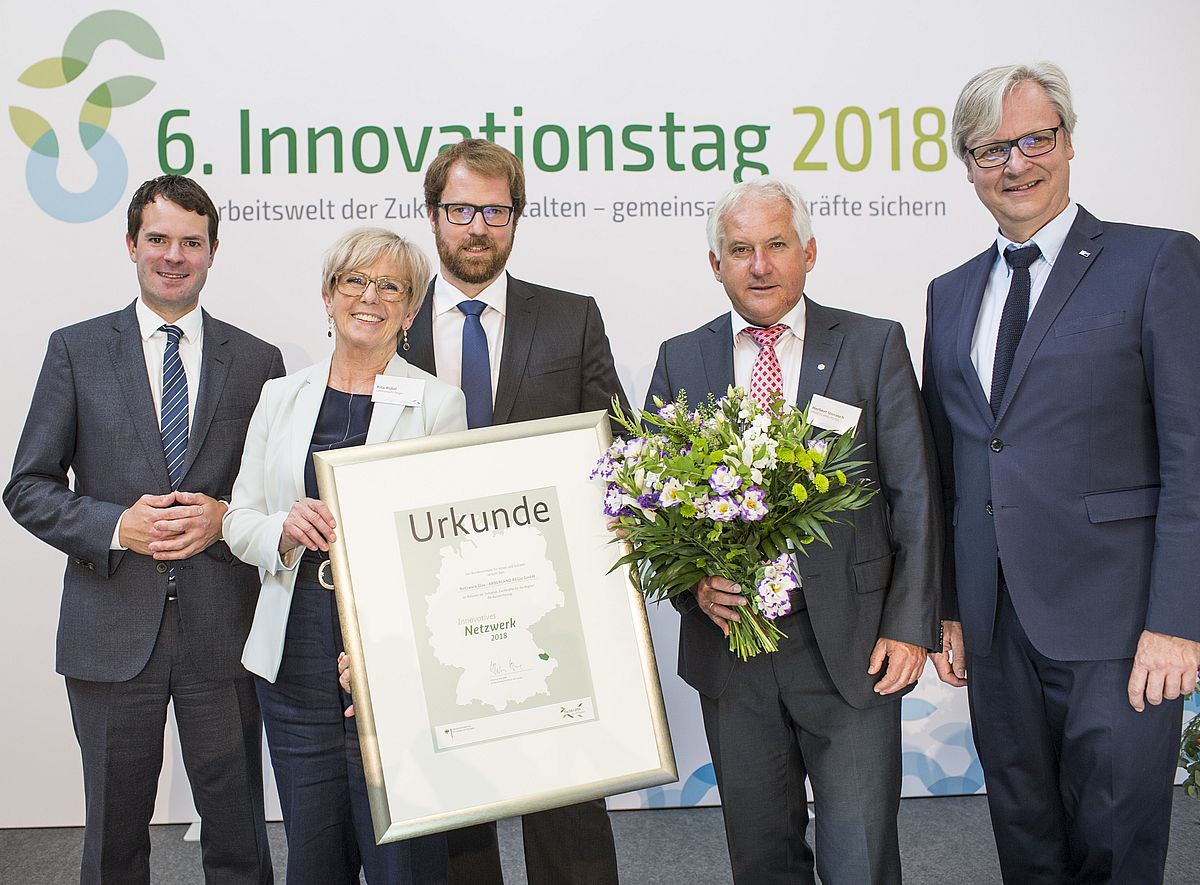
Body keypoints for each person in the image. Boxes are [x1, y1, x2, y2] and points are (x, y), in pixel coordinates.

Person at [922, 61, 1200, 884]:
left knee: (1117, 845)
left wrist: (1179, 620)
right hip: (995, 623)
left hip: (1122, 628)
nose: (1016, 164)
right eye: (991, 149)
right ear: (968, 165)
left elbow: (1191, 454)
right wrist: (947, 607)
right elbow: (953, 462)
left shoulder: (1157, 263)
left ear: (1068, 142)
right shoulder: (948, 293)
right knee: (1026, 839)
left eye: (1034, 139)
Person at [645, 176, 941, 885]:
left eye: (776, 245)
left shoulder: (873, 345)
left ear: (809, 251)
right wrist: (694, 587)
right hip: (734, 654)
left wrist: (911, 625)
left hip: (854, 646)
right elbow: (651, 506)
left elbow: (916, 493)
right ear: (715, 265)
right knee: (762, 858)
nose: (759, 264)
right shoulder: (682, 357)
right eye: (739, 249)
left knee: (860, 858)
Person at [4, 174, 281, 884]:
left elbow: (275, 497)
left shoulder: (257, 362)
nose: (173, 255)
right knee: (113, 842)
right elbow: (27, 486)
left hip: (222, 632)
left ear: (213, 251)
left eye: (192, 242)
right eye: (157, 239)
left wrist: (223, 521)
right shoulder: (76, 349)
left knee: (239, 835)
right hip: (108, 630)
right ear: (131, 245)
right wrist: (113, 524)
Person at [402, 138, 628, 885]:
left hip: (551, 608)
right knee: (458, 820)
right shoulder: (385, 323)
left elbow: (619, 450)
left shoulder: (571, 317)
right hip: (432, 611)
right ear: (432, 216)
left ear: (517, 218)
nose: (477, 227)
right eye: (461, 208)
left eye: (495, 211)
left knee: (566, 812)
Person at [223, 227, 465, 884]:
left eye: (391, 285)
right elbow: (237, 521)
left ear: (410, 310)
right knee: (314, 858)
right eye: (355, 280)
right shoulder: (282, 395)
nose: (371, 296)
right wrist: (282, 526)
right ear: (329, 296)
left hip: (391, 656)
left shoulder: (439, 404)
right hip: (294, 652)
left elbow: (446, 551)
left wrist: (386, 646)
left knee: (402, 862)